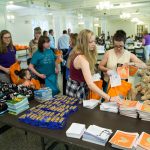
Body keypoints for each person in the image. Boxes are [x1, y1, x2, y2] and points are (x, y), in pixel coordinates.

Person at [66, 29, 121, 103]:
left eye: (94, 41)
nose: (94, 44)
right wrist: (109, 98)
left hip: (73, 87)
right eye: (90, 42)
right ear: (83, 42)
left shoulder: (77, 52)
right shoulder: (82, 59)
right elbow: (90, 84)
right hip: (77, 91)